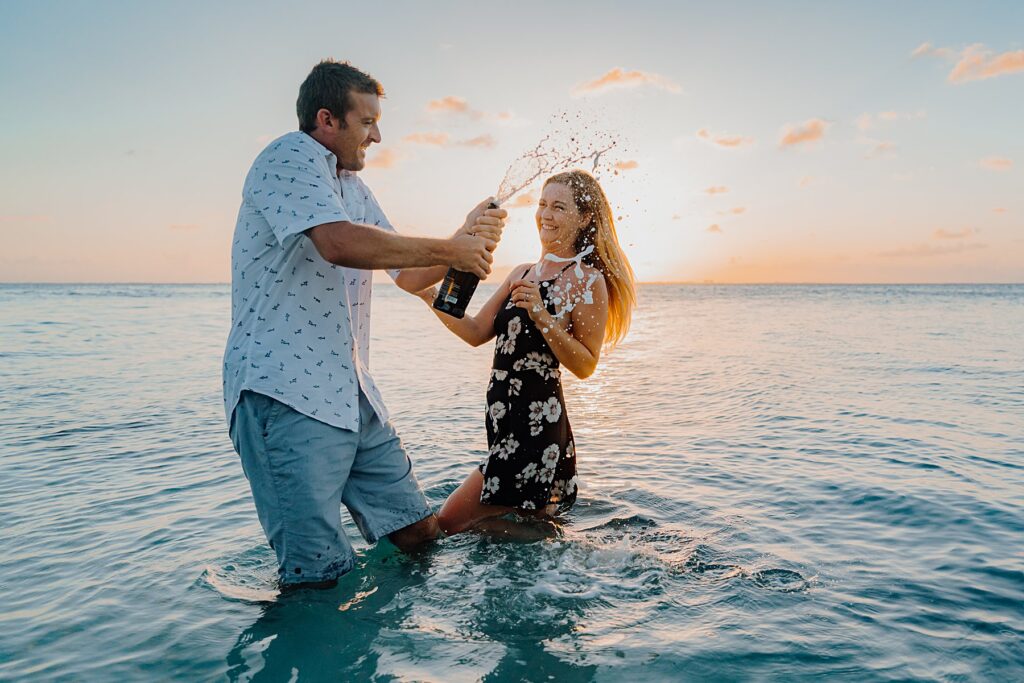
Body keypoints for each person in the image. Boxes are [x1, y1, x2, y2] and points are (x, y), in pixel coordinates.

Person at [223, 59, 508, 589]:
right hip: (284, 395)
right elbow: (337, 243)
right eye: (368, 121)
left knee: (419, 534)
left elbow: (406, 274)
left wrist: (465, 236)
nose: (378, 134)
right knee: (319, 578)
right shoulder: (287, 156)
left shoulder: (353, 186)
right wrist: (453, 249)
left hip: (353, 394)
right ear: (327, 119)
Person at [415, 169, 636, 536]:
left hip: (536, 428)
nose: (545, 215)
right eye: (542, 204)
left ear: (583, 218)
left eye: (559, 207)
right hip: (504, 424)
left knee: (449, 523)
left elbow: (586, 365)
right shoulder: (523, 272)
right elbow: (475, 333)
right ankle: (555, 544)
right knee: (496, 527)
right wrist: (429, 298)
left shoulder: (587, 280)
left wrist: (540, 314)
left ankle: (558, 543)